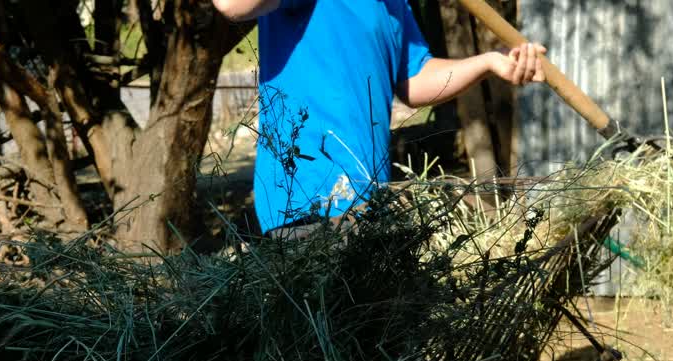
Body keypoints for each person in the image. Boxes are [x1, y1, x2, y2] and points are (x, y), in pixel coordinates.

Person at [211, 0, 547, 236]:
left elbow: (415, 79)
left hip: (369, 200)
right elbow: (231, 4)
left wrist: (489, 62)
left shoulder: (391, 3)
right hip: (308, 204)